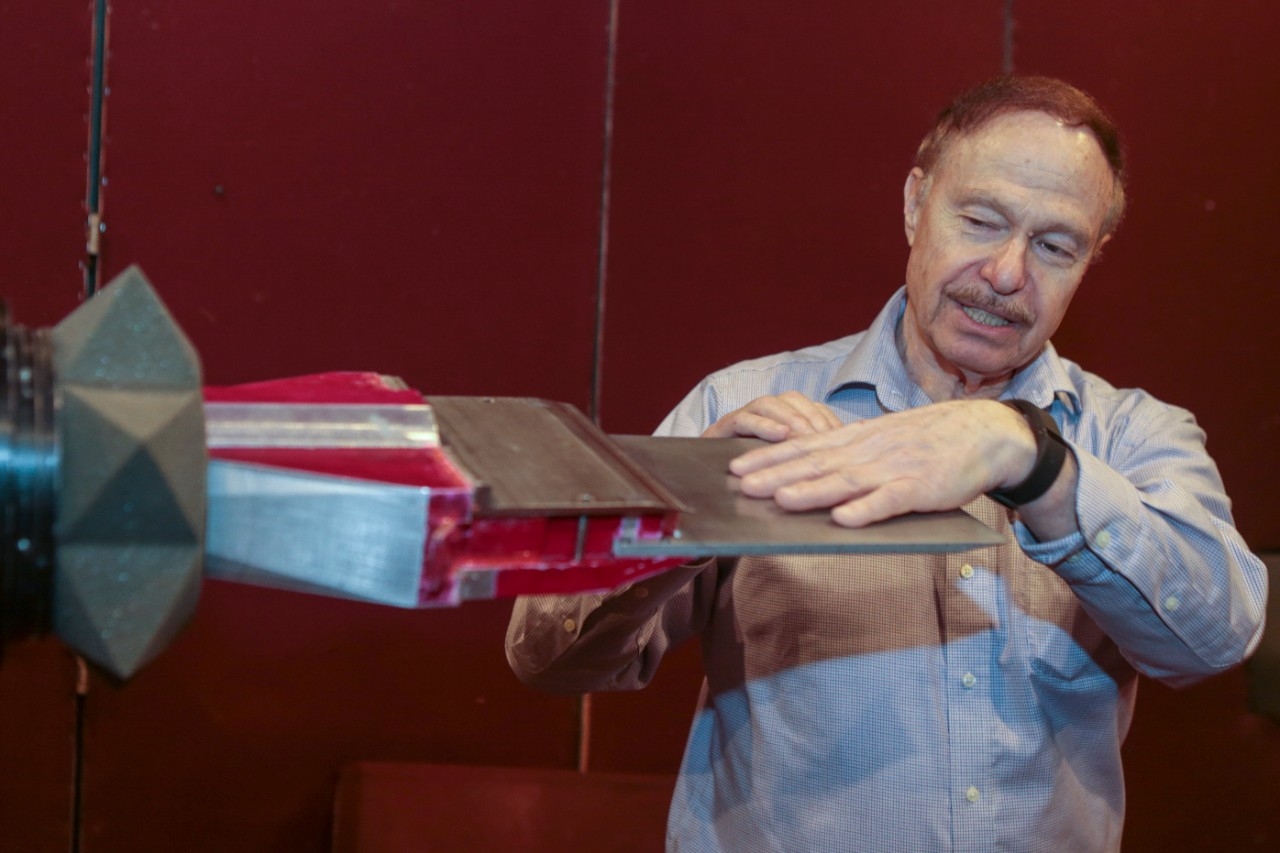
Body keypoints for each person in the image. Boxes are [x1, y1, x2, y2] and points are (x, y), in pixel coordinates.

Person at [505, 76, 1267, 852]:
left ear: (1092, 258)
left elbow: (1214, 638)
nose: (1007, 272)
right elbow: (546, 657)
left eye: (1054, 245)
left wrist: (1034, 464)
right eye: (980, 220)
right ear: (914, 204)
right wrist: (682, 505)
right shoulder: (742, 404)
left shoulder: (1135, 435)